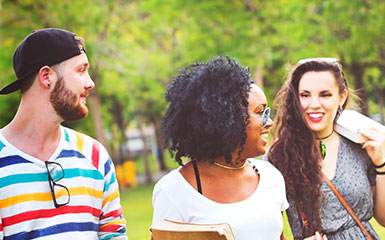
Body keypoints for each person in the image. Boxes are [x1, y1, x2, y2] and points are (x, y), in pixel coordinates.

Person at [0, 28, 127, 239]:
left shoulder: (95, 155)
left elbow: (113, 235)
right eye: (80, 70)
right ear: (47, 76)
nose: (90, 82)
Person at [151, 56, 289, 239]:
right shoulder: (174, 190)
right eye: (260, 113)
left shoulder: (271, 177)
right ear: (226, 120)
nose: (269, 122)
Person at [266, 58, 385, 239]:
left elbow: (383, 219)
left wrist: (381, 164)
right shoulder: (278, 157)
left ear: (341, 97)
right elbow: (271, 231)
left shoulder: (360, 145)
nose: (314, 104)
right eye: (305, 95)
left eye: (325, 95)